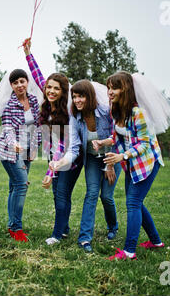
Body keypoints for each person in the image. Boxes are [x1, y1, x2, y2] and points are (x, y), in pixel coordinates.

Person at [99, 71, 167, 260]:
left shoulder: (138, 112)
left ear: (126, 89)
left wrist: (122, 155)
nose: (110, 92)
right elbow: (118, 135)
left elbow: (144, 144)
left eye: (115, 88)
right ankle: (155, 241)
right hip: (131, 163)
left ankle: (129, 251)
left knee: (133, 203)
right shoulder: (117, 110)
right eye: (109, 87)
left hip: (146, 163)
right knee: (136, 202)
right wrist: (103, 143)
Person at [50, 80, 122, 253]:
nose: (77, 100)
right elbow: (74, 147)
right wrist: (61, 162)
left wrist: (110, 164)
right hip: (92, 159)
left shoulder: (106, 111)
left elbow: (118, 138)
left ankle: (113, 226)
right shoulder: (75, 116)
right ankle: (84, 238)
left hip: (112, 157)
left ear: (89, 96)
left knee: (106, 196)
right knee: (91, 194)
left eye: (81, 96)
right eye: (74, 97)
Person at [23, 41, 83, 245]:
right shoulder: (48, 102)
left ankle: (57, 235)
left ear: (63, 91)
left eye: (56, 89)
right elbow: (39, 76)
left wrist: (50, 172)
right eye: (49, 88)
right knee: (58, 193)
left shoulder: (68, 112)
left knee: (62, 194)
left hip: (69, 158)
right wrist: (28, 54)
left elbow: (61, 147)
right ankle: (64, 228)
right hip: (54, 156)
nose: (50, 91)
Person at [0, 69, 42, 242]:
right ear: (12, 85)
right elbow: (7, 128)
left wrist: (35, 146)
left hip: (27, 150)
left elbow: (37, 125)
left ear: (27, 81)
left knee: (15, 187)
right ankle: (16, 228)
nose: (19, 85)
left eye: (22, 81)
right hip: (10, 151)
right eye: (15, 83)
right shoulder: (9, 104)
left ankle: (11, 224)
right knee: (22, 185)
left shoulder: (34, 100)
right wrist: (13, 143)